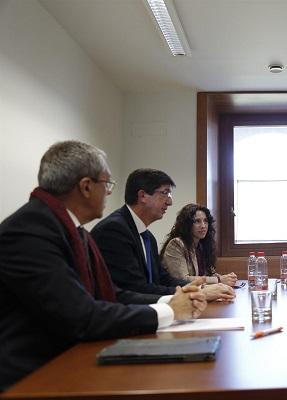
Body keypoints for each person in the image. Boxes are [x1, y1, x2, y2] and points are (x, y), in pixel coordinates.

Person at [0, 141, 207, 390]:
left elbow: (111, 293)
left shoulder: (70, 229)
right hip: (34, 376)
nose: (110, 192)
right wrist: (171, 312)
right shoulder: (30, 232)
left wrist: (171, 303)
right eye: (107, 184)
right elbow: (81, 316)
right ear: (86, 187)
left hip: (70, 359)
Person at [92, 169, 234, 301]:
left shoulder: (148, 238)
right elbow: (135, 290)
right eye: (165, 193)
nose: (170, 201)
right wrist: (197, 293)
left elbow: (164, 279)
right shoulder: (114, 230)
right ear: (142, 196)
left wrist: (200, 288)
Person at [160, 203, 237, 286]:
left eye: (205, 221)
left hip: (198, 293)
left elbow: (210, 274)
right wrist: (219, 280)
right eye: (197, 221)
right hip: (179, 295)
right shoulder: (176, 244)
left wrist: (227, 278)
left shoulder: (202, 245)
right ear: (187, 224)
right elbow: (182, 279)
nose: (203, 226)